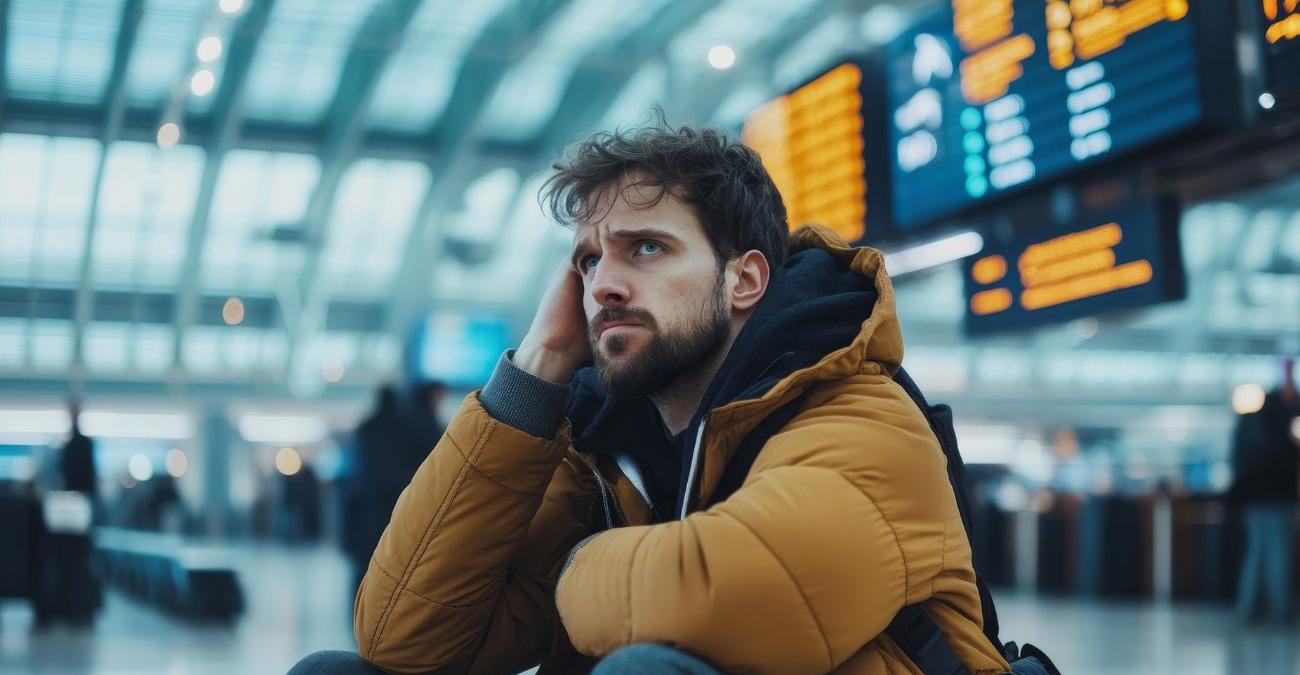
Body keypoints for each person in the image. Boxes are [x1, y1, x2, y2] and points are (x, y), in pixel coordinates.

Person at [294, 119, 1007, 674]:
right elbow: (403, 635)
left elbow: (716, 597)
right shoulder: (606, 453)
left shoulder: (862, 416)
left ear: (745, 280)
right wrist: (536, 371)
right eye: (588, 259)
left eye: (646, 248)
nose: (602, 282)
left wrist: (576, 565)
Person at [1230, 358, 1299, 624]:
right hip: (1276, 498)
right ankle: (1280, 610)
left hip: (1254, 498)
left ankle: (1248, 609)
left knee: (1257, 552)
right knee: (1278, 553)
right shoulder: (1279, 431)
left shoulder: (1251, 424)